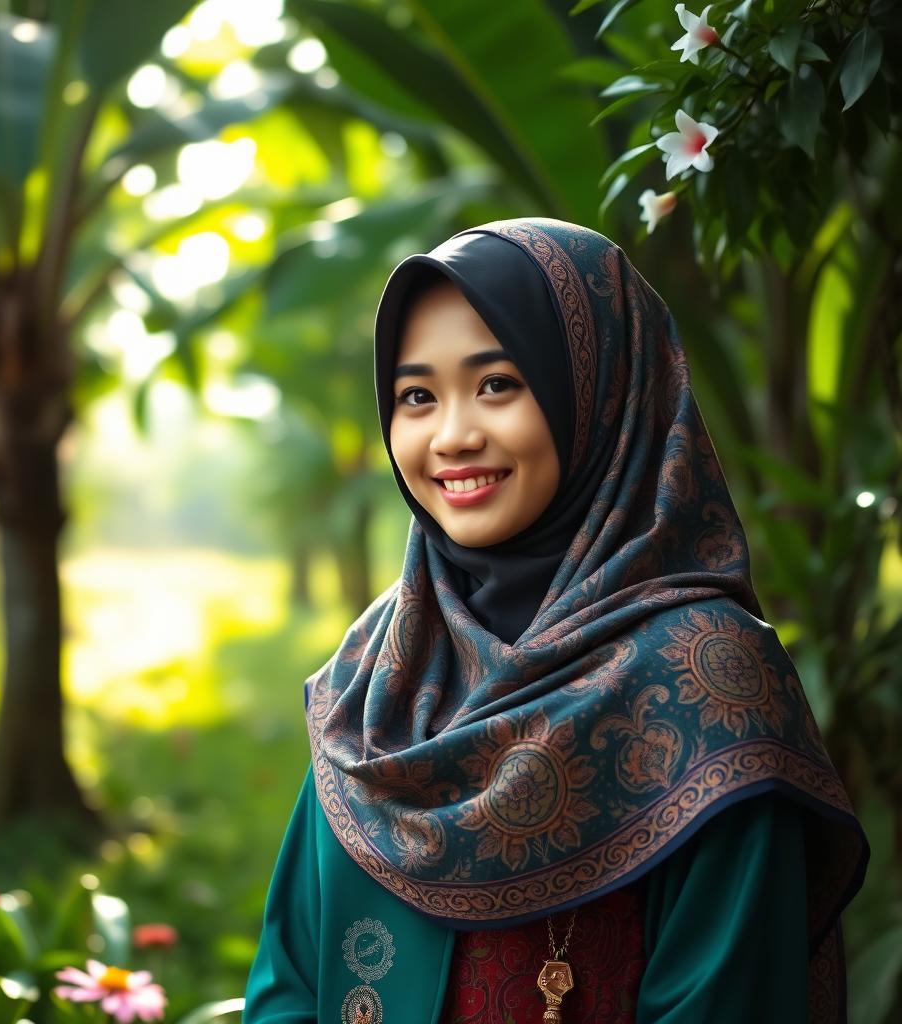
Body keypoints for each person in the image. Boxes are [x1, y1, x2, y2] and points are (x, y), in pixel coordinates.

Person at [242, 217, 869, 1023]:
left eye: (497, 383)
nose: (453, 436)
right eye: (416, 396)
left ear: (599, 394)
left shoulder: (710, 686)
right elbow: (288, 985)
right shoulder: (379, 666)